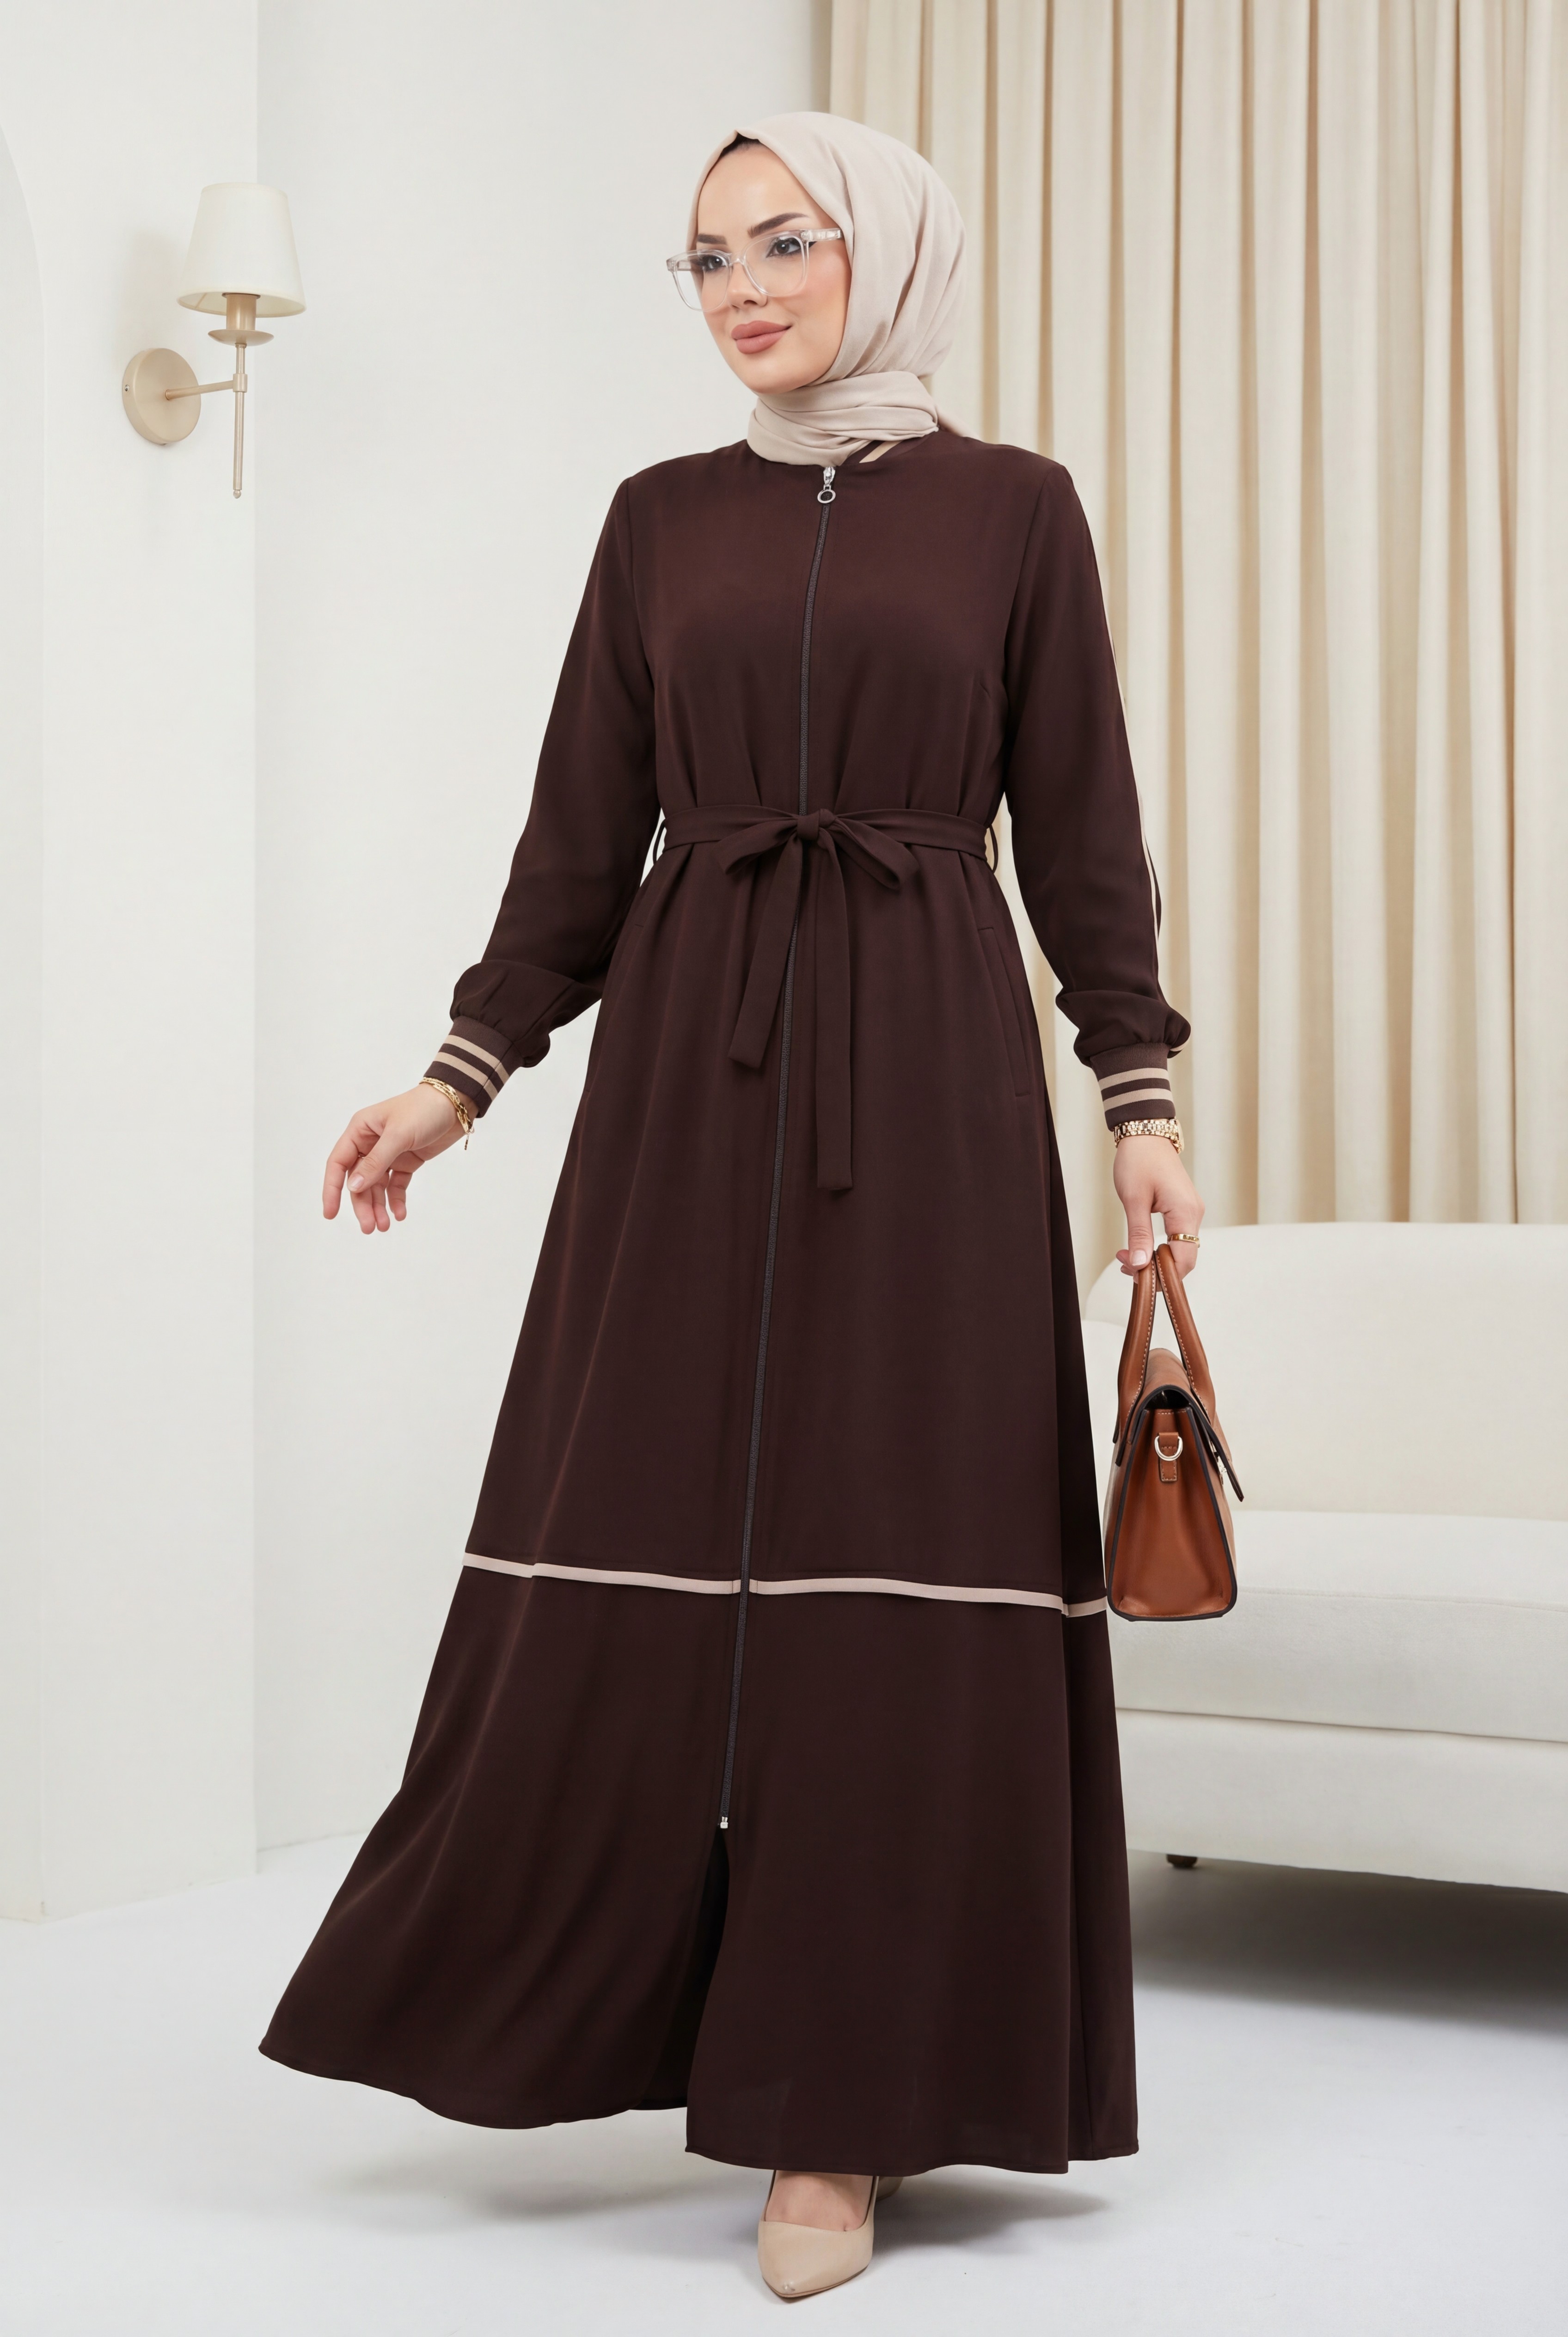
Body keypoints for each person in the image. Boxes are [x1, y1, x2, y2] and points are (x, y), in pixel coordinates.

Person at [260, 112, 1203, 2303]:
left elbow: (1081, 826)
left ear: (883, 254)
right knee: (636, 1528)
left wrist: (1136, 1095)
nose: (742, 287)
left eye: (783, 241)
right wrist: (459, 1076)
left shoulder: (1011, 510)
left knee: (900, 1564)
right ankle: (575, 2013)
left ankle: (835, 2113)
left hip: (928, 1072)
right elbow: (579, 833)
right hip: (690, 1072)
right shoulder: (657, 520)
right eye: (703, 257)